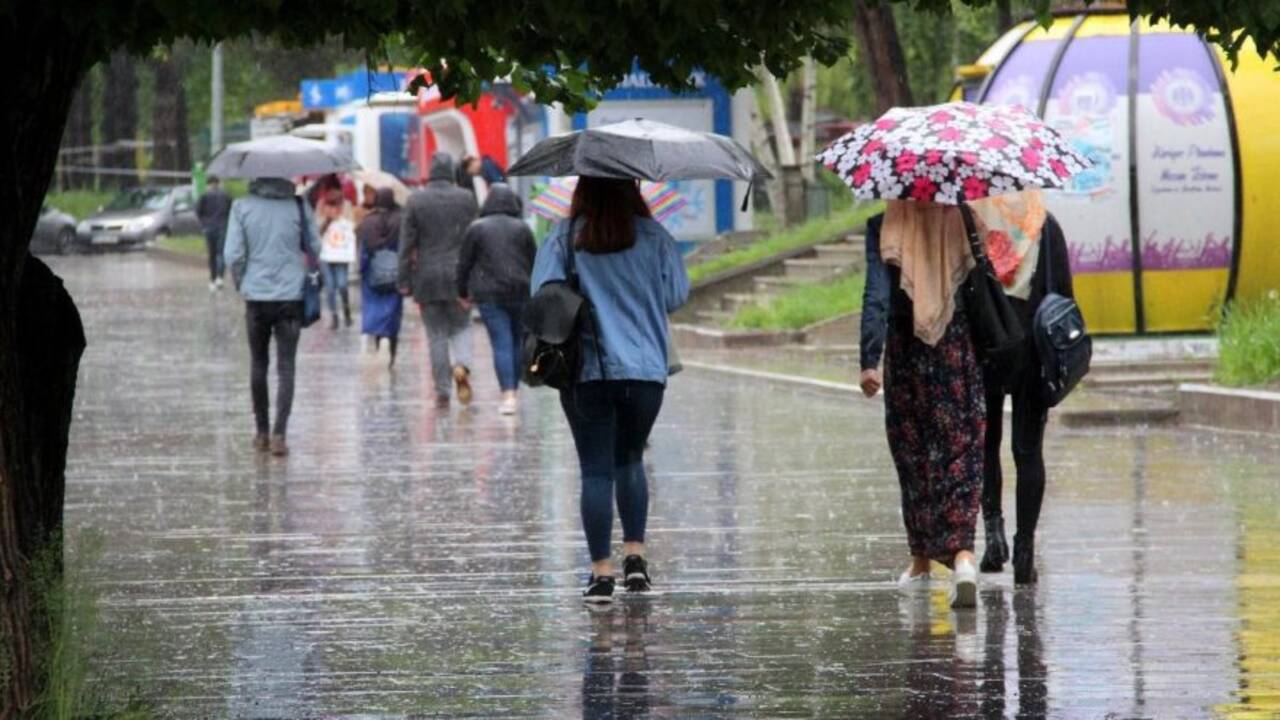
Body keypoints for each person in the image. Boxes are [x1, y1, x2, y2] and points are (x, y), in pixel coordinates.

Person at [531, 177, 690, 604]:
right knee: (631, 459)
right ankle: (635, 562)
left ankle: (601, 573)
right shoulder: (655, 235)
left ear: (581, 191)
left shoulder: (564, 237)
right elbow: (676, 295)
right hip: (644, 371)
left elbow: (542, 297)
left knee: (595, 470)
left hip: (587, 369)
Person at [859, 200, 986, 609]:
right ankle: (964, 557)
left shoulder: (884, 225)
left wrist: (868, 359)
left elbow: (876, 295)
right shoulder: (964, 219)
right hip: (957, 349)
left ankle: (921, 563)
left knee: (913, 455)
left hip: (906, 353)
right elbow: (985, 283)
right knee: (961, 451)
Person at [969, 191, 1074, 585]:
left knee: (985, 445)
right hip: (1032, 349)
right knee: (1028, 451)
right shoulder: (1046, 226)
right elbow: (1063, 296)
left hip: (985, 346)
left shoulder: (974, 224)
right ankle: (1024, 549)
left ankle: (994, 538)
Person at [224, 177, 319, 458]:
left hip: (257, 297)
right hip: (291, 297)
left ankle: (262, 431)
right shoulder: (298, 207)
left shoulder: (241, 207)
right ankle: (280, 433)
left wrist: (243, 283)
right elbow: (316, 247)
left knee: (258, 363)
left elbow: (233, 255)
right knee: (286, 367)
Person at [399, 153, 480, 408]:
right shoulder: (466, 198)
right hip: (460, 276)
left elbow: (406, 245)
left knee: (436, 335)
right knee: (462, 326)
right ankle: (462, 365)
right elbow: (474, 238)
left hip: (428, 277)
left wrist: (404, 280)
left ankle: (443, 391)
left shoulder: (416, 200)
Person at [456, 183, 537, 415]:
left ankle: (508, 395)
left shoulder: (477, 228)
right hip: (520, 291)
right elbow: (534, 260)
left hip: (489, 294)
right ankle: (514, 390)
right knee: (516, 341)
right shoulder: (522, 228)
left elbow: (464, 263)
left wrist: (462, 292)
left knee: (501, 342)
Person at [356, 187, 405, 367]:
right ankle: (390, 349)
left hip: (373, 275)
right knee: (393, 311)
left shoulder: (368, 222)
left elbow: (362, 250)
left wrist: (361, 270)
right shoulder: (401, 220)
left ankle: (378, 339)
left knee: (374, 310)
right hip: (395, 273)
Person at [317, 195, 356, 329]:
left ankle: (346, 311)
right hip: (326, 258)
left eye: (334, 207)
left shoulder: (346, 222)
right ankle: (334, 316)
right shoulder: (322, 221)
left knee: (342, 284)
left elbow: (351, 234)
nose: (331, 210)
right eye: (329, 207)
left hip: (341, 258)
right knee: (330, 288)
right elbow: (316, 237)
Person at [196, 175, 232, 291]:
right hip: (222, 227)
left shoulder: (204, 196)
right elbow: (231, 211)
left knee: (211, 254)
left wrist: (203, 224)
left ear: (208, 184)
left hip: (209, 228)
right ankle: (220, 278)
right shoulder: (225, 196)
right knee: (220, 253)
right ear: (218, 183)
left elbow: (198, 211)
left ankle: (212, 279)